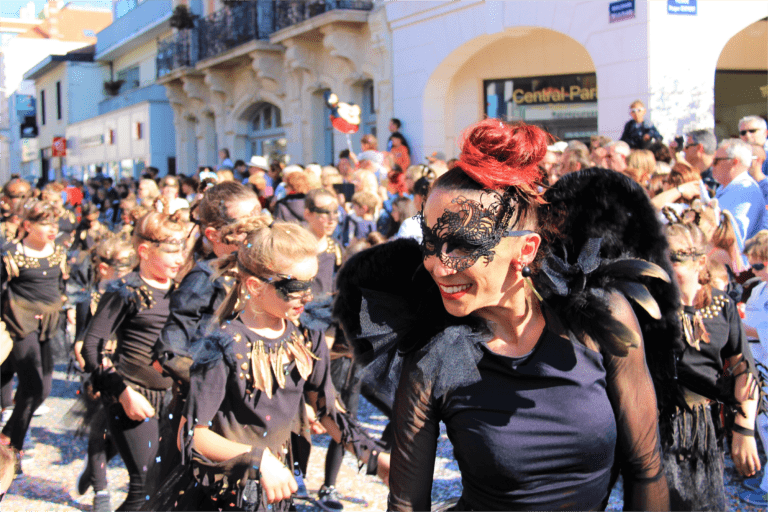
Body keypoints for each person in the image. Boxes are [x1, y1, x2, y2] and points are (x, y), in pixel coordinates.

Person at [385, 119, 669, 511]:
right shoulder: (433, 356)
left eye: (463, 246)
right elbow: (404, 503)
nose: (437, 264)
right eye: (431, 243)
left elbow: (647, 468)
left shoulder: (599, 321)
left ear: (526, 249)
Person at [171, 219, 387, 512]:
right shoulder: (223, 344)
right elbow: (192, 435)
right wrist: (257, 460)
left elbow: (327, 411)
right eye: (295, 286)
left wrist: (376, 457)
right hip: (227, 495)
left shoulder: (307, 336)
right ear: (254, 286)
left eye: (309, 283)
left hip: (279, 491)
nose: (307, 296)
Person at [81, 209, 186, 511]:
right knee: (144, 491)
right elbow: (92, 346)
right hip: (133, 398)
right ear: (144, 251)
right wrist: (123, 393)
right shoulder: (126, 289)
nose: (179, 259)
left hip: (171, 398)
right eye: (171, 252)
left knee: (167, 488)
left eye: (182, 250)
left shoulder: (182, 290)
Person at [662, 221, 759, 511]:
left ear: (699, 262)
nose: (664, 265)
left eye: (675, 257)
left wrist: (744, 429)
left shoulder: (722, 306)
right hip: (655, 425)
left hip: (704, 428)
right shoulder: (647, 306)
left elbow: (743, 368)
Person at [0, 199, 68, 474]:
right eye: (44, 223)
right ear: (27, 225)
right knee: (33, 385)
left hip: (49, 326)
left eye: (54, 223)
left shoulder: (58, 252)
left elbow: (61, 285)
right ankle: (11, 447)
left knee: (43, 389)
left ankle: (7, 438)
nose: (52, 229)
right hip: (19, 325)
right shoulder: (11, 254)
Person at [73, 236, 137, 512]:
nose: (127, 270)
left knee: (117, 428)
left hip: (123, 367)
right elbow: (80, 340)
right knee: (98, 429)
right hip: (96, 366)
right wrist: (93, 373)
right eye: (122, 266)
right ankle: (100, 490)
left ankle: (97, 465)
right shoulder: (89, 298)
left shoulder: (133, 292)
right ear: (104, 268)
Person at [740, 230, 768, 506]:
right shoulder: (760, 287)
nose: (754, 270)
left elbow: (762, 330)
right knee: (762, 423)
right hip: (759, 365)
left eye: (759, 265)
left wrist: (740, 326)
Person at [712, 139, 768, 259]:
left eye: (716, 160)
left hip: (736, 267)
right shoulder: (727, 187)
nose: (712, 165)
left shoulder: (746, 191)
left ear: (734, 162)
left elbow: (735, 238)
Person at [684, 129, 718, 195]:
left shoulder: (718, 178)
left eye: (687, 146)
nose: (684, 150)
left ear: (699, 148)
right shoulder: (699, 173)